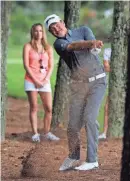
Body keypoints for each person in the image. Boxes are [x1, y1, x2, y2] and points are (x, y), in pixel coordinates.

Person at [44, 14, 107, 171]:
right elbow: (73, 46)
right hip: (79, 86)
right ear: (52, 33)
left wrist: (95, 46)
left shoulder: (84, 30)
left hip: (98, 81)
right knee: (72, 126)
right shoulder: (59, 44)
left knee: (90, 118)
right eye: (52, 29)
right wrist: (90, 43)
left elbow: (94, 49)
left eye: (57, 25)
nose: (56, 29)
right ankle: (73, 157)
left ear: (63, 23)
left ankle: (92, 160)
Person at [23, 23, 60, 142]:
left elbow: (51, 65)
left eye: (40, 31)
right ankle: (35, 134)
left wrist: (45, 80)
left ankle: (47, 132)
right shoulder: (28, 46)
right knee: (34, 107)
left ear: (43, 33)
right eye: (36, 31)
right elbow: (26, 65)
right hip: (31, 80)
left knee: (49, 108)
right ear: (32, 32)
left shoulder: (48, 47)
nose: (38, 33)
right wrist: (35, 80)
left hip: (44, 81)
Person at [98, 48, 112, 140]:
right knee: (107, 107)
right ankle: (105, 132)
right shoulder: (108, 51)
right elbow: (106, 67)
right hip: (113, 84)